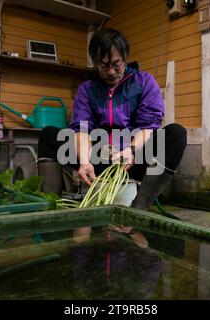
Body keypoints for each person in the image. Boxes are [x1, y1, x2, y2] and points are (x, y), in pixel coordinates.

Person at [37, 28, 187, 211]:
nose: (110, 71)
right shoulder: (87, 89)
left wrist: (131, 150)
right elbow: (81, 129)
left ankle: (139, 206)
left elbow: (149, 126)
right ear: (95, 63)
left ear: (125, 57)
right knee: (49, 135)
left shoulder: (144, 82)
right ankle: (50, 205)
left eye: (116, 64)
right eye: (103, 65)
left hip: (132, 160)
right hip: (96, 159)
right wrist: (85, 161)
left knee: (176, 133)